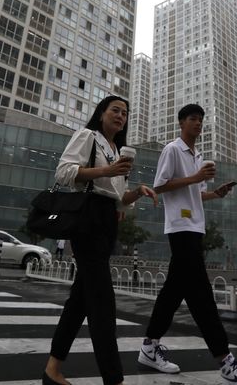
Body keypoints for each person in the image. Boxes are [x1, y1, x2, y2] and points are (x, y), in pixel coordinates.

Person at [137, 104, 237, 385]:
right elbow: (159, 187)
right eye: (193, 119)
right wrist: (196, 178)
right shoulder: (172, 150)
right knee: (201, 295)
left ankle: (149, 347)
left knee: (173, 292)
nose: (198, 124)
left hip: (195, 227)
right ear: (182, 122)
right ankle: (226, 362)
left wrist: (215, 194)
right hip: (180, 227)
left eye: (200, 120)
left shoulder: (198, 156)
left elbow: (195, 193)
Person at [43, 95, 157, 385]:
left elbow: (119, 200)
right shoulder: (87, 136)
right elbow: (64, 172)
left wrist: (139, 190)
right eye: (115, 110)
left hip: (107, 221)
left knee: (80, 300)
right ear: (102, 113)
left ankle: (52, 370)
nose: (121, 116)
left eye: (125, 113)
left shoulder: (117, 150)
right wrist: (107, 171)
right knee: (102, 303)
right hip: (88, 218)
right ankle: (114, 379)